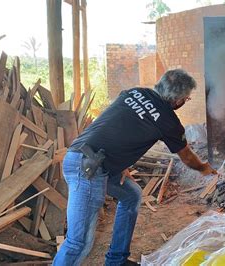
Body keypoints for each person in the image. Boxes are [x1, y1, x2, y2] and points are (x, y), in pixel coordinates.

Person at [53, 69, 216, 266]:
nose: (184, 102)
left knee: (132, 195)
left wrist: (120, 164)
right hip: (88, 170)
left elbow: (118, 125)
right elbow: (188, 158)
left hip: (86, 157)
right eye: (186, 99)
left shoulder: (134, 93)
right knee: (78, 243)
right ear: (177, 100)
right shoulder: (168, 121)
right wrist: (204, 168)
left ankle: (116, 260)